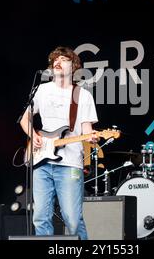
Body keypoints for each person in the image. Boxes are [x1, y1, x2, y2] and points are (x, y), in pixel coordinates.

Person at [19, 46, 98, 240]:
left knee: (72, 218)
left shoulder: (83, 95)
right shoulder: (42, 90)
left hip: (70, 164)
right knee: (40, 217)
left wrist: (92, 137)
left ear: (74, 66)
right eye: (55, 59)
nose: (58, 61)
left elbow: (86, 130)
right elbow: (24, 119)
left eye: (63, 59)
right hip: (42, 163)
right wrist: (33, 135)